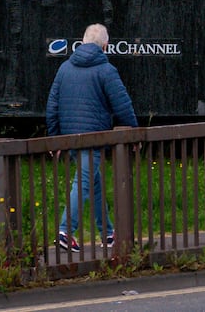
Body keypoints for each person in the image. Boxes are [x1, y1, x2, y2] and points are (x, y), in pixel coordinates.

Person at [45, 23, 138, 252]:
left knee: (94, 184)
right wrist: (134, 132)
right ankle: (65, 230)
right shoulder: (106, 71)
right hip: (94, 137)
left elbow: (52, 105)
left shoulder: (65, 68)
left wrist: (54, 137)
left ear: (82, 41)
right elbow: (122, 105)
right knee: (84, 183)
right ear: (105, 46)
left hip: (70, 137)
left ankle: (108, 234)